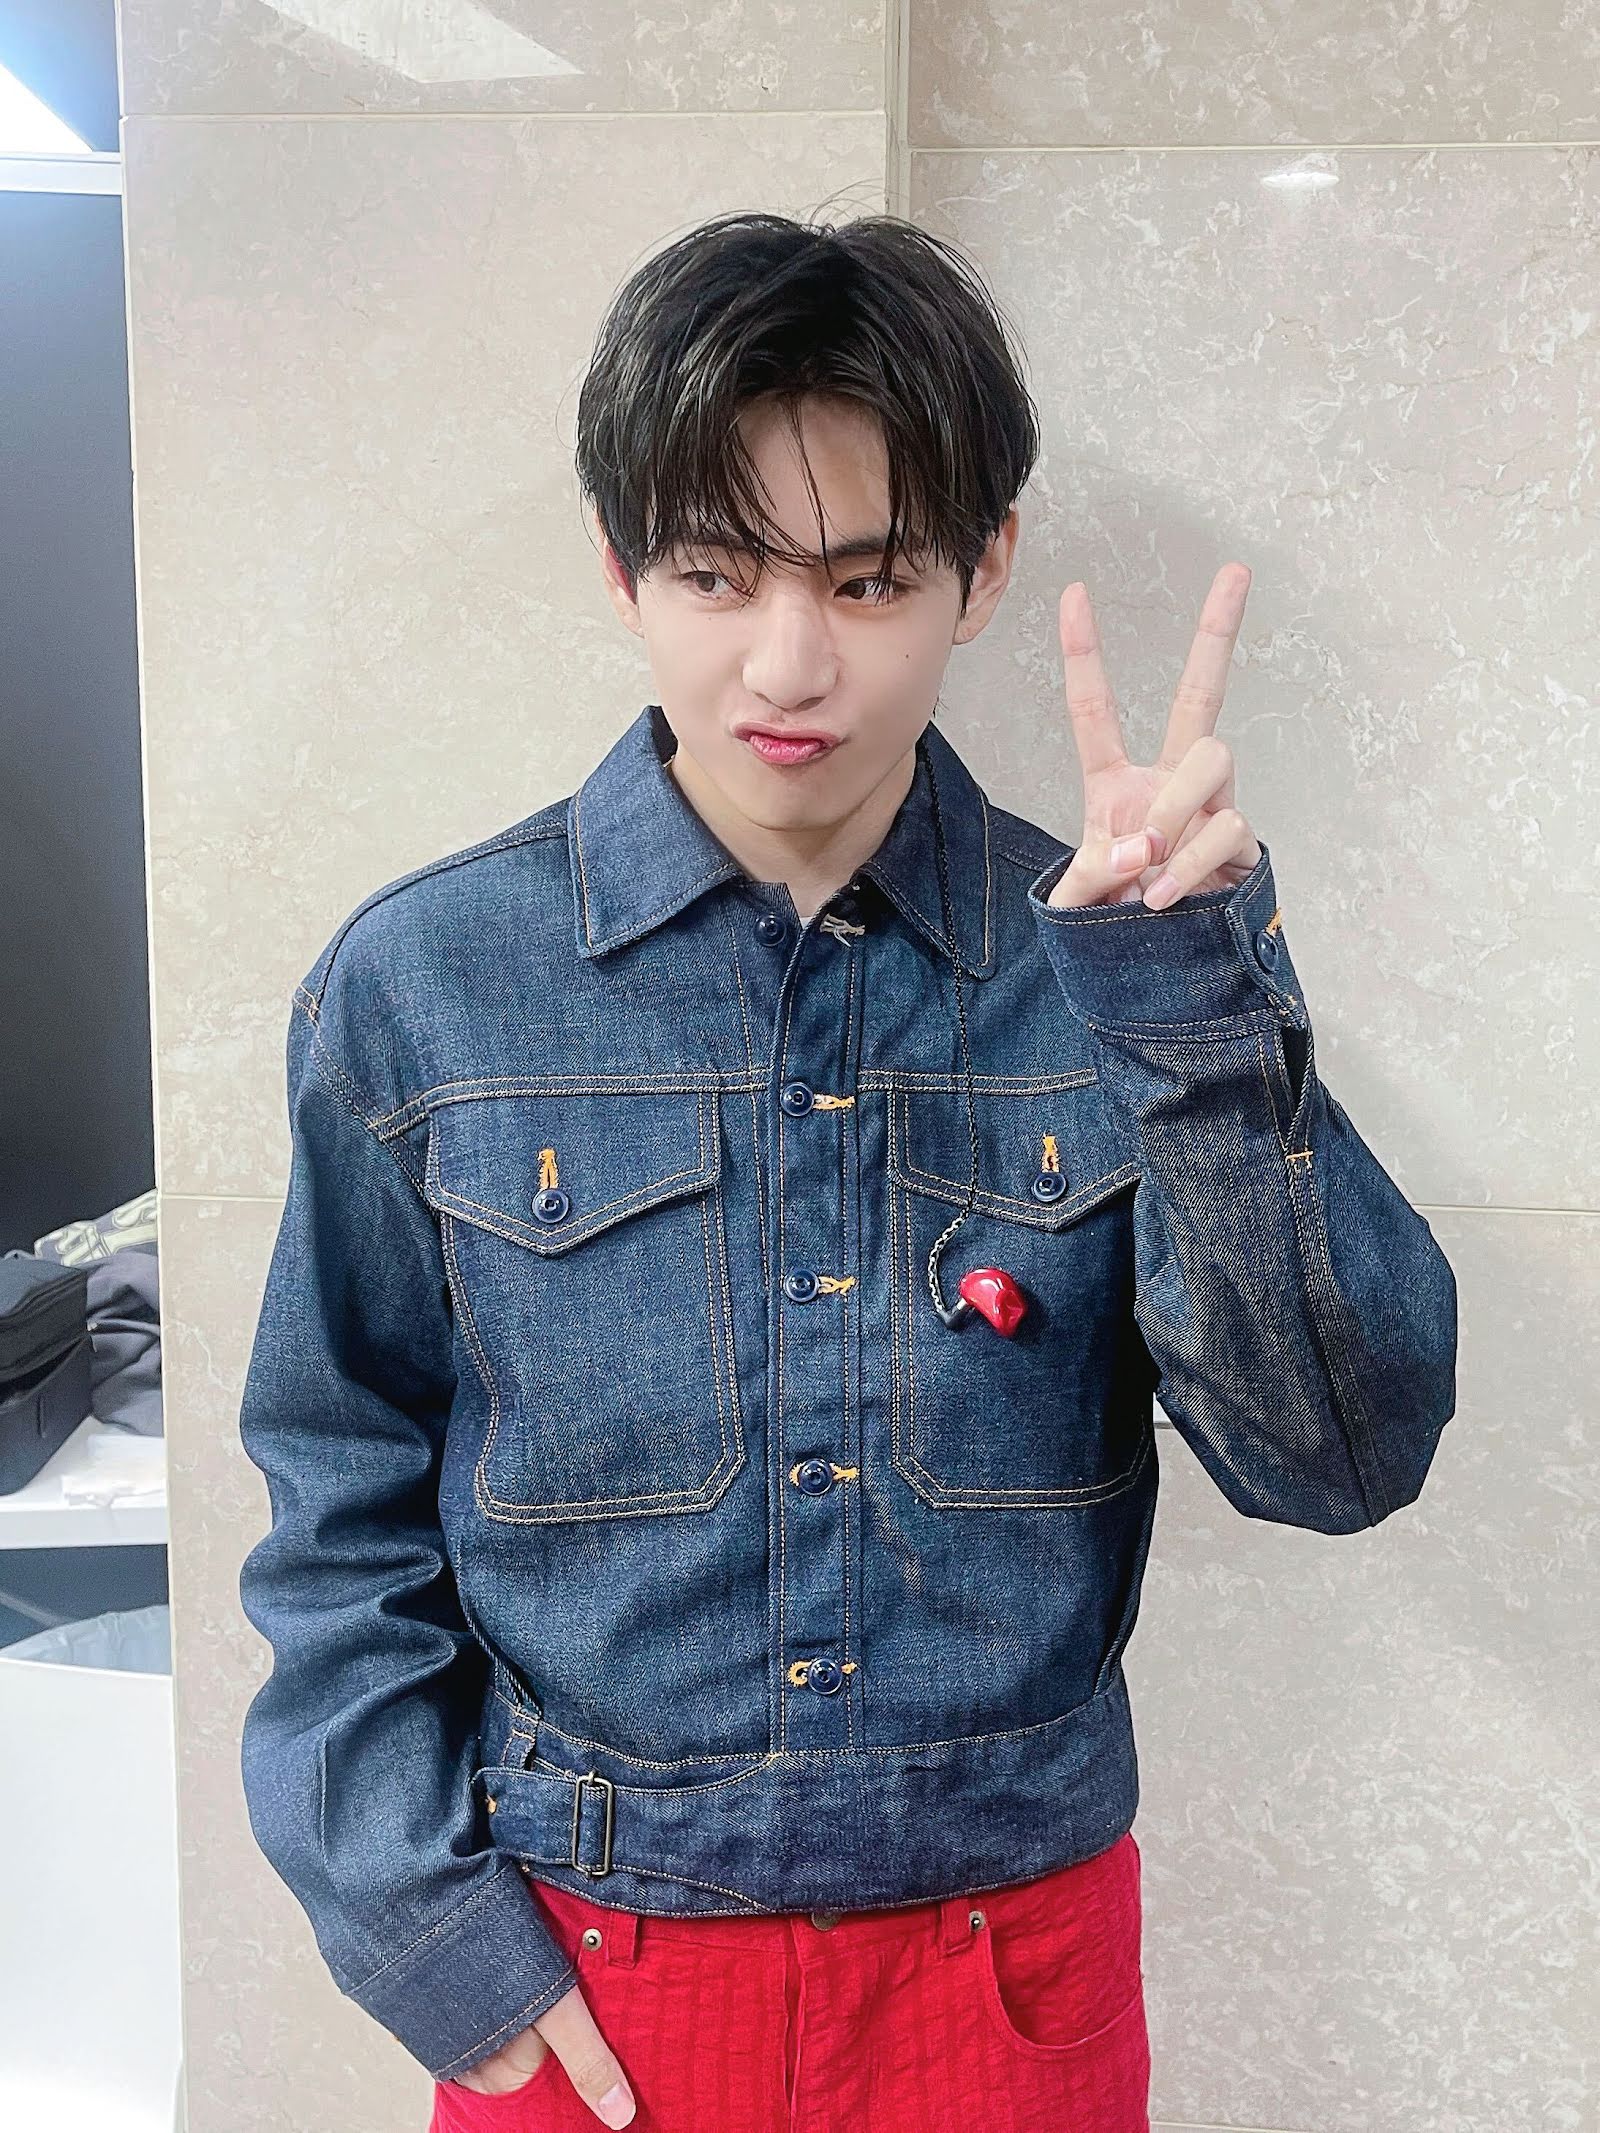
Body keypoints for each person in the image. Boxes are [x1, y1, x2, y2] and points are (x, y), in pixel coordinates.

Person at [236, 211, 1459, 2133]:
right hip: (590, 1982)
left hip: (1008, 1973)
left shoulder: (1112, 961)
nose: (789, 662)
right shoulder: (424, 984)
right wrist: (421, 1926)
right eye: (715, 574)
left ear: (984, 569)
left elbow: (1343, 1455)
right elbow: (340, 1503)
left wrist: (1193, 1008)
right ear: (622, 566)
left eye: (869, 579)